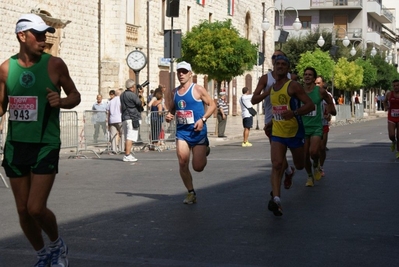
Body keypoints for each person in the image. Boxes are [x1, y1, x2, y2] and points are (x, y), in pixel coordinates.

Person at [0, 13, 81, 266]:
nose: (44, 39)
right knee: (23, 210)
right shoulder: (5, 68)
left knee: (35, 208)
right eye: (38, 34)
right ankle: (42, 254)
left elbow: (75, 95)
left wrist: (62, 101)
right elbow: (1, 106)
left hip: (46, 143)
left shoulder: (55, 64)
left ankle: (57, 245)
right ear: (22, 36)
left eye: (46, 34)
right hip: (16, 145)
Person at [260, 55, 314, 216]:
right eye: (278, 64)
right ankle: (276, 199)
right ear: (274, 67)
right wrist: (270, 123)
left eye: (284, 64)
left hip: (295, 132)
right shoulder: (272, 88)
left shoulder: (294, 86)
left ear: (288, 68)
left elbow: (310, 105)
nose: (280, 67)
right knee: (276, 165)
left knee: (299, 164)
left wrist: (295, 112)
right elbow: (277, 110)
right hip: (277, 132)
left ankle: (293, 171)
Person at [164, 61, 216, 204]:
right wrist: (169, 115)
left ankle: (205, 147)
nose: (181, 74)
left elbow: (212, 105)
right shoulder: (174, 92)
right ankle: (191, 192)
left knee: (198, 167)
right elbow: (173, 109)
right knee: (182, 161)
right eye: (179, 71)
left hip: (197, 132)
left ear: (190, 74)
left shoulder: (198, 89)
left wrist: (203, 119)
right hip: (182, 133)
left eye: (184, 71)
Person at [251, 50, 296, 190]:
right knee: (277, 160)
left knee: (294, 160)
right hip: (272, 122)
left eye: (281, 58)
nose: (277, 60)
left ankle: (290, 170)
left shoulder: (292, 78)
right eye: (274, 58)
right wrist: (267, 92)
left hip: (290, 122)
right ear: (273, 62)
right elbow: (254, 99)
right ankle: (278, 188)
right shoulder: (266, 78)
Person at [302, 68, 336, 187]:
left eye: (310, 75)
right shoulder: (299, 91)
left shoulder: (320, 91)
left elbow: (329, 100)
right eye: (305, 74)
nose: (307, 76)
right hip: (303, 127)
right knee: (305, 155)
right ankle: (310, 176)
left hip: (316, 126)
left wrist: (331, 109)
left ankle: (316, 164)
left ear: (314, 78)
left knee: (314, 151)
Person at [315, 76, 336, 177]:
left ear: (323, 84)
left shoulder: (327, 95)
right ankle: (315, 165)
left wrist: (329, 114)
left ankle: (320, 166)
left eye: (318, 83)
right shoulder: (309, 94)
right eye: (315, 83)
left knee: (322, 148)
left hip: (323, 124)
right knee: (313, 150)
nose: (316, 85)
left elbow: (332, 109)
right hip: (312, 125)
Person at [120, 79, 142, 162]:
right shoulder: (132, 95)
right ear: (132, 87)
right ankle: (127, 155)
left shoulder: (122, 95)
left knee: (127, 137)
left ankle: (127, 153)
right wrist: (140, 94)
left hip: (125, 117)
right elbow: (139, 103)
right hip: (132, 117)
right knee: (130, 137)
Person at [383, 79, 399, 158]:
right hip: (391, 117)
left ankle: (398, 151)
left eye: (397, 85)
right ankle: (393, 141)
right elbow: (384, 101)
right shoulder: (389, 94)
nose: (396, 87)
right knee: (392, 135)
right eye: (394, 86)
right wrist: (386, 106)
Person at [107, 89, 124, 154]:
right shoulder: (120, 100)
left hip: (112, 119)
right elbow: (121, 108)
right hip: (119, 119)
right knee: (122, 134)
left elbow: (108, 112)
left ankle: (114, 149)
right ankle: (121, 149)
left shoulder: (110, 101)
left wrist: (108, 121)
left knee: (113, 135)